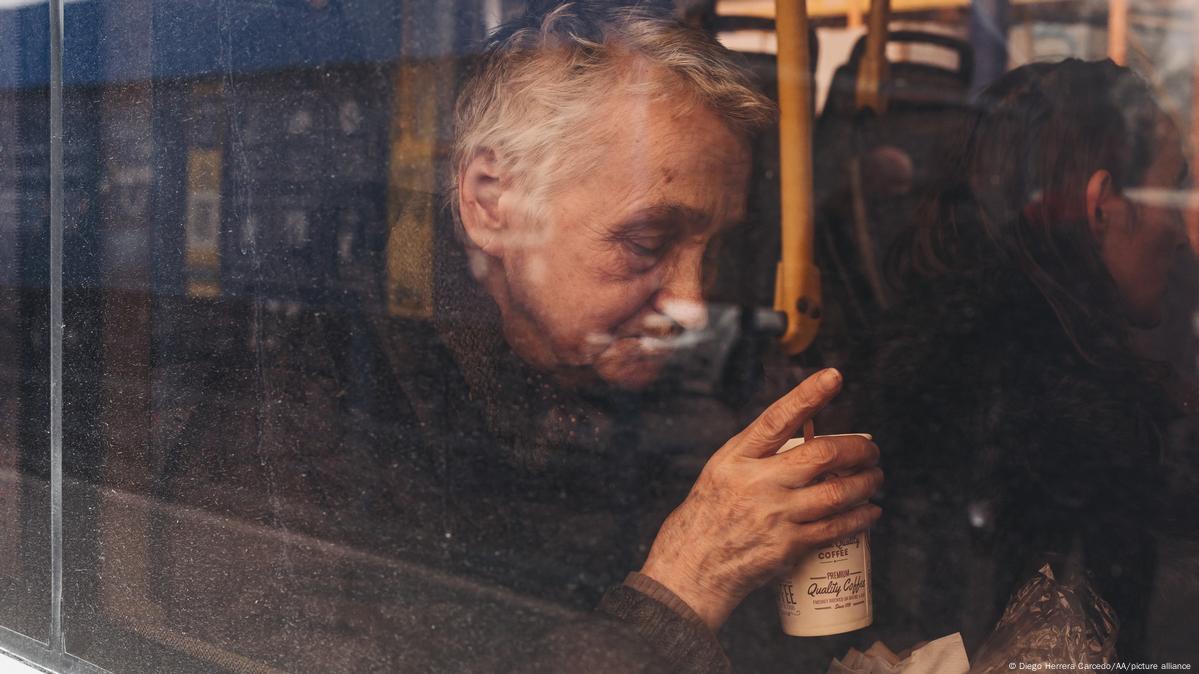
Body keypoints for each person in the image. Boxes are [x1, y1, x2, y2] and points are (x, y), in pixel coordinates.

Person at [333, 2, 885, 671]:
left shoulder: (664, 377)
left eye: (713, 252)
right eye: (645, 242)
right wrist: (692, 576)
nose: (691, 306)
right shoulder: (338, 399)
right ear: (491, 202)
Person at [846, 59, 1190, 661]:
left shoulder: (929, 358)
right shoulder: (1077, 424)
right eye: (1174, 187)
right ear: (1101, 205)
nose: (1183, 230)